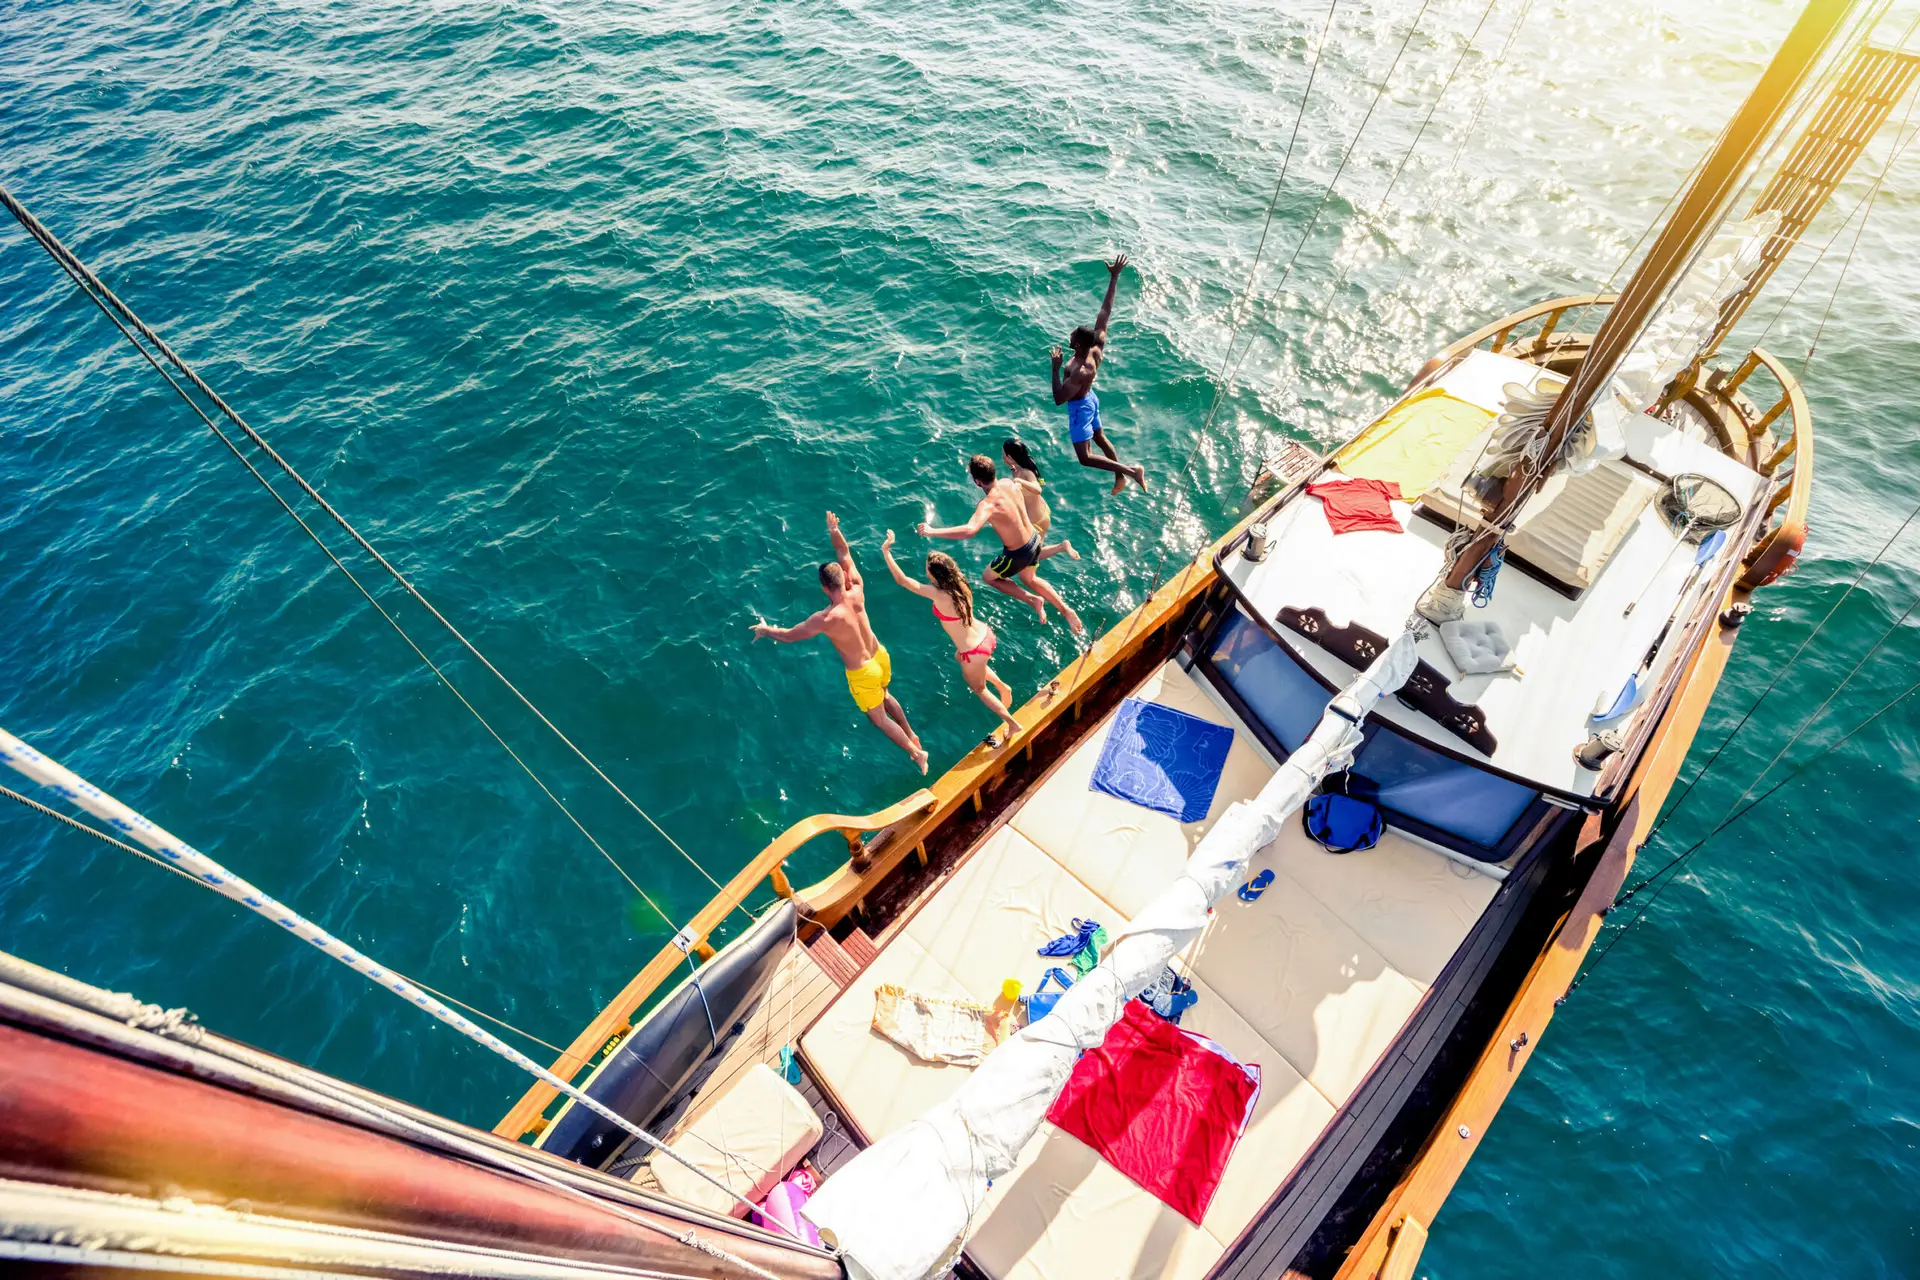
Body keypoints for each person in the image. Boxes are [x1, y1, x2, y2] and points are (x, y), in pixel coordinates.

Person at [752, 511, 928, 773]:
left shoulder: (825, 618)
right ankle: (911, 733)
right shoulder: (857, 587)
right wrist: (834, 531)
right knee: (887, 695)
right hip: (880, 655)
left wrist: (765, 630)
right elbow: (844, 554)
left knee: (879, 719)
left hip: (863, 672)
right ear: (843, 579)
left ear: (824, 588)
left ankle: (916, 753)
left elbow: (789, 636)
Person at [879, 531, 1023, 748]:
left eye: (927, 569)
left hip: (974, 651)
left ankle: (1012, 723)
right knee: (960, 657)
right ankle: (1003, 686)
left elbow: (902, 580)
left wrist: (886, 551)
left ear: (935, 575)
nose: (925, 571)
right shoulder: (960, 583)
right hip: (985, 635)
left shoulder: (939, 594)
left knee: (979, 689)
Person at [918, 455, 1084, 635]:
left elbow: (970, 530)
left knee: (988, 577)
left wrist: (932, 531)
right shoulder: (1008, 483)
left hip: (1018, 553)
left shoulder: (988, 504)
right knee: (1030, 579)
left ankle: (1032, 600)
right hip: (1035, 539)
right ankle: (1066, 610)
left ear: (977, 481)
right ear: (994, 472)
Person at [1051, 254, 1149, 495]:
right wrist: (1114, 277)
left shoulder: (1078, 370)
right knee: (1100, 437)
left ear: (1079, 345)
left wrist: (1055, 367)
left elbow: (1059, 398)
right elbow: (1106, 311)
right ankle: (1120, 477)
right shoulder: (1096, 347)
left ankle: (1130, 471)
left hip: (1080, 407)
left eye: (1073, 336)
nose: (1070, 335)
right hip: (1091, 398)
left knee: (1085, 457)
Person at [1002, 437, 1079, 564]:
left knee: (1032, 557)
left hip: (1036, 521)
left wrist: (1019, 481)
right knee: (1034, 555)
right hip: (1040, 513)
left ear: (1010, 457)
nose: (1002, 457)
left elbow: (1038, 489)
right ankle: (1061, 547)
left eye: (1003, 454)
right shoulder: (1017, 468)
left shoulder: (1025, 472)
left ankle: (1062, 546)